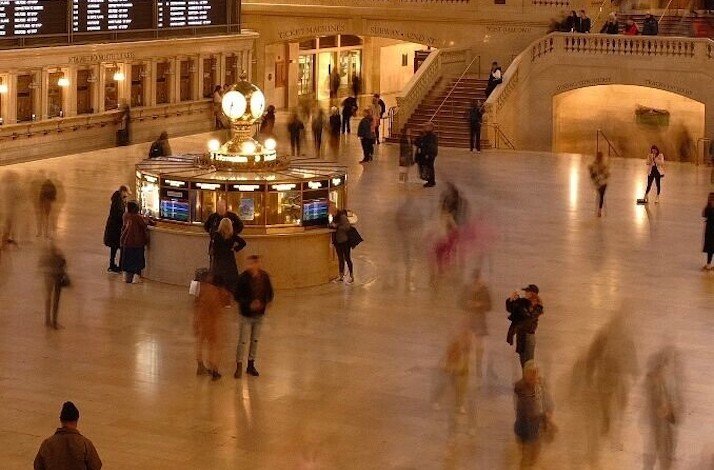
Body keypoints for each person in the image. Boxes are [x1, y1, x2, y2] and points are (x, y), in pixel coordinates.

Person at [234, 255, 274, 379]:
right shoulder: (242, 278)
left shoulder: (264, 277)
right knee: (243, 340)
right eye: (249, 264)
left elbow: (270, 293)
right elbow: (237, 296)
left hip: (259, 314)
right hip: (245, 314)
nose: (251, 266)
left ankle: (251, 364)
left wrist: (265, 302)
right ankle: (239, 365)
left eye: (254, 263)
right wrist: (248, 303)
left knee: (255, 340)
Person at [34, 402, 102, 470]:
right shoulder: (85, 444)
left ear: (61, 420)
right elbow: (96, 466)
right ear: (77, 419)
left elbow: (38, 466)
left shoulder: (47, 444)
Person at [513, 361, 555, 469]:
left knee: (534, 457)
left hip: (536, 431)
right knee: (526, 458)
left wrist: (549, 413)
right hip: (524, 431)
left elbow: (548, 401)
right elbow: (529, 411)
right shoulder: (521, 389)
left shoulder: (540, 386)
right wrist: (545, 417)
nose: (533, 376)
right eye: (530, 373)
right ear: (525, 374)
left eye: (535, 373)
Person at [195, 273, 233, 381]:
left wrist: (196, 320)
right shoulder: (220, 292)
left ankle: (200, 364)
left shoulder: (202, 289)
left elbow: (197, 304)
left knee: (201, 342)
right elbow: (227, 305)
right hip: (214, 322)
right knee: (215, 346)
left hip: (202, 321)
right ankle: (214, 369)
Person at [506, 285, 544, 367]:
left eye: (528, 291)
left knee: (529, 364)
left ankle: (528, 379)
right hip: (521, 336)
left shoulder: (538, 306)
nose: (525, 293)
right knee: (523, 363)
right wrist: (512, 299)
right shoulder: (524, 304)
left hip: (528, 336)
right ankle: (525, 378)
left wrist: (520, 303)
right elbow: (511, 309)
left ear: (533, 293)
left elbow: (529, 317)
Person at [120, 201, 153, 284]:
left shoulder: (125, 215)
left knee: (127, 259)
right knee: (138, 260)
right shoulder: (137, 217)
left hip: (126, 241)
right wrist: (148, 219)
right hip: (137, 242)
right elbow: (144, 224)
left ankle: (126, 277)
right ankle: (136, 277)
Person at [210, 218, 245, 292]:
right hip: (229, 259)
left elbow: (215, 249)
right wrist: (235, 249)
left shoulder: (217, 235)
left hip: (219, 259)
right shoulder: (232, 235)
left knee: (219, 281)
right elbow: (243, 243)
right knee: (230, 280)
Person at [103, 185, 131, 273]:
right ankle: (120, 266)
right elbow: (120, 215)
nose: (126, 197)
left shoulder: (116, 199)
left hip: (113, 229)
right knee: (121, 247)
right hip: (116, 230)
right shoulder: (118, 202)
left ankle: (112, 265)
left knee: (114, 248)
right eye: (126, 195)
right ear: (123, 191)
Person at [40, 242, 67, 330]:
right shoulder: (59, 256)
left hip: (48, 279)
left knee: (48, 298)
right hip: (57, 278)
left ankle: (47, 320)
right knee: (56, 300)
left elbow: (40, 265)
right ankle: (54, 322)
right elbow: (64, 264)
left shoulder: (45, 256)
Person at [331, 209, 354, 283]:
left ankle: (351, 275)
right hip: (337, 241)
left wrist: (337, 227)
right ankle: (341, 275)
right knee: (340, 259)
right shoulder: (334, 217)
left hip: (344, 241)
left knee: (347, 258)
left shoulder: (342, 217)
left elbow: (347, 226)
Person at [588, 151, 610, 217]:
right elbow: (593, 172)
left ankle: (599, 210)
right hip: (599, 182)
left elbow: (606, 174)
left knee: (601, 195)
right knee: (601, 195)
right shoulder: (597, 164)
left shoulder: (602, 164)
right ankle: (599, 210)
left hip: (602, 183)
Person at [417, 122, 438, 187]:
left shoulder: (431, 136)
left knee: (430, 167)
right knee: (430, 167)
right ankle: (431, 180)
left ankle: (431, 181)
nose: (425, 128)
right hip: (429, 153)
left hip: (430, 154)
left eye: (426, 127)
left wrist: (428, 154)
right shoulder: (426, 135)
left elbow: (430, 146)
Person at [702, 193, 714, 270]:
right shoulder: (708, 207)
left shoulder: (709, 207)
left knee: (710, 247)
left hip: (710, 228)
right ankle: (708, 264)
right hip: (709, 229)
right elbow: (704, 214)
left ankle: (709, 264)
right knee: (710, 247)